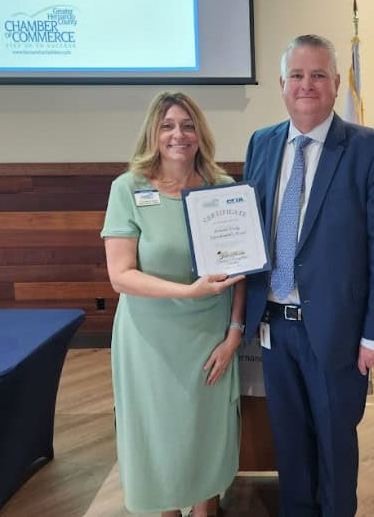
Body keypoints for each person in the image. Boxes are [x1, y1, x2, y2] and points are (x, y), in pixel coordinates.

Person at [243, 34, 374, 517]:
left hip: (338, 331)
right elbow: (249, 227)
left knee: (335, 447)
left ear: (337, 84)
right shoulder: (262, 143)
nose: (307, 85)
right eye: (297, 75)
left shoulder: (370, 149)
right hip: (274, 326)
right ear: (281, 84)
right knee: (289, 446)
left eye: (318, 75)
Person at [101, 92, 245, 517]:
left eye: (187, 125)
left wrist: (234, 335)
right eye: (167, 125)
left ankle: (204, 509)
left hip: (209, 337)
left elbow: (242, 272)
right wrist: (188, 292)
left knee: (204, 429)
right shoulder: (128, 189)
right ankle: (167, 510)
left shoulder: (224, 189)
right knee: (159, 433)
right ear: (153, 132)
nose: (178, 135)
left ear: (200, 133)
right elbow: (120, 275)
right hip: (149, 340)